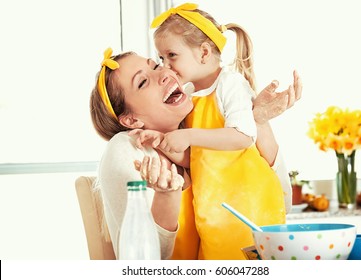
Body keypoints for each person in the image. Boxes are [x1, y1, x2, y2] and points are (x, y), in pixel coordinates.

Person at [90, 48, 302, 259]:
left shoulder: (201, 128)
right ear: (131, 120)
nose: (163, 74)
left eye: (156, 65)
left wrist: (258, 122)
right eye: (143, 82)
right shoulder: (126, 150)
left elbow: (282, 204)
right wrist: (167, 195)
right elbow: (141, 261)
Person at [129, 3, 295, 259]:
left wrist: (187, 136)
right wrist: (163, 142)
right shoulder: (189, 96)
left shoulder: (230, 84)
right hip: (214, 211)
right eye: (162, 58)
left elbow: (243, 136)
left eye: (171, 55)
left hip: (249, 206)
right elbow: (196, 158)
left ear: (204, 52)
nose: (165, 65)